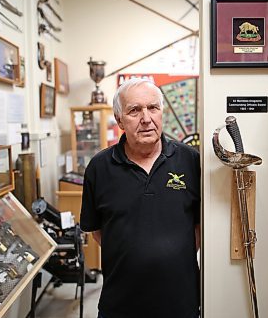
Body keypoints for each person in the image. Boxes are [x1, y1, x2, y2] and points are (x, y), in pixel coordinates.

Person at [80, 77, 201, 318]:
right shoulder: (99, 167)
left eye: (153, 108)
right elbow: (98, 232)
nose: (146, 118)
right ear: (119, 120)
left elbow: (199, 227)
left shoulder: (191, 161)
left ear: (161, 113)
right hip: (120, 305)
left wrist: (168, 254)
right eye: (134, 110)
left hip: (180, 303)